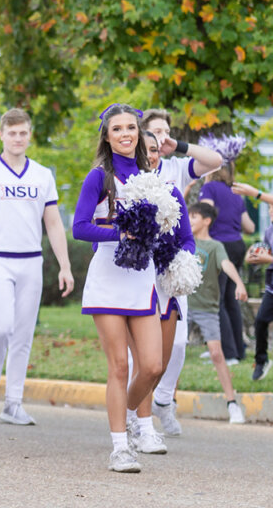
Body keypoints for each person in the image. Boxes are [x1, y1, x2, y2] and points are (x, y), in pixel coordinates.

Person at [0, 108, 74, 426]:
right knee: (0, 327)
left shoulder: (42, 174)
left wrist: (64, 266)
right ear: (1, 135)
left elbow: (53, 223)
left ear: (30, 135)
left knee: (23, 334)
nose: (17, 138)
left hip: (30, 261)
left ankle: (13, 402)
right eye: (12, 133)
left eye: (23, 133)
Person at [72, 103, 165, 473]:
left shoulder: (150, 176)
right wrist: (119, 232)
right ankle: (120, 448)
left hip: (142, 278)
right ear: (107, 137)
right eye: (118, 129)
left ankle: (124, 412)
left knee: (154, 366)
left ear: (139, 133)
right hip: (107, 278)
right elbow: (79, 227)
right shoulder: (99, 177)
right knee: (119, 366)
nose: (126, 134)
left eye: (131, 127)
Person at [138, 110, 222, 436]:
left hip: (172, 266)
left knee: (178, 344)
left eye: (166, 130)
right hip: (142, 265)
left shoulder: (174, 167)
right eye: (156, 130)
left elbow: (214, 160)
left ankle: (162, 400)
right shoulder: (130, 172)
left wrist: (181, 145)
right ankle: (137, 412)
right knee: (145, 343)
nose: (162, 135)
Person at [125, 131, 194, 454]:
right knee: (144, 362)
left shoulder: (172, 191)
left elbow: (187, 237)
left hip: (166, 282)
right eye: (144, 149)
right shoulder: (123, 191)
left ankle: (126, 413)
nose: (150, 155)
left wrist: (182, 260)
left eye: (154, 150)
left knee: (159, 365)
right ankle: (143, 426)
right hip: (135, 280)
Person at [185, 202, 248, 423]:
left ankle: (232, 404)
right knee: (171, 354)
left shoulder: (215, 246)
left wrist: (239, 283)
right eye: (189, 216)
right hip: (182, 305)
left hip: (206, 309)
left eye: (194, 217)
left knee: (216, 354)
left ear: (206, 221)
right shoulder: (184, 239)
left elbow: (226, 264)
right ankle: (166, 402)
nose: (190, 220)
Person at [200, 166, 255, 365]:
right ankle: (237, 351)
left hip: (218, 247)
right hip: (237, 246)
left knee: (217, 300)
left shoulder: (209, 188)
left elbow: (205, 212)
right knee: (231, 300)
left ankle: (228, 354)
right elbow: (250, 227)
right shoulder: (235, 194)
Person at [232, 183, 273, 381]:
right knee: (261, 321)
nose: (271, 210)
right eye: (270, 207)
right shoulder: (270, 230)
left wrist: (253, 193)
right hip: (271, 287)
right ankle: (262, 360)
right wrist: (253, 254)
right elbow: (263, 248)